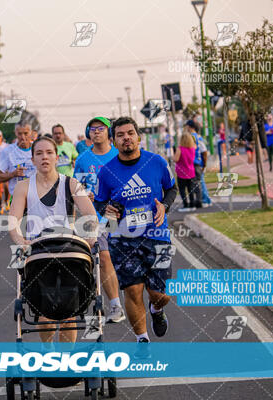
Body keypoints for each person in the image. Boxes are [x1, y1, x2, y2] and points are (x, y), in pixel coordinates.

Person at [95, 116, 177, 345]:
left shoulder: (157, 162)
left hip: (157, 236)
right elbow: (99, 202)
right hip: (122, 239)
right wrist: (106, 208)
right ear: (113, 141)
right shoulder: (106, 172)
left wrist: (165, 205)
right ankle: (142, 340)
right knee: (132, 290)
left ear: (138, 136)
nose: (126, 138)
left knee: (161, 295)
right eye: (120, 135)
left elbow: (172, 188)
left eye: (130, 133)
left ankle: (156, 309)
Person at [9, 136, 99, 343]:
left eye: (49, 153)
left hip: (69, 252)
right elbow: (13, 221)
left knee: (69, 315)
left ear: (57, 157)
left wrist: (90, 236)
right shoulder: (23, 187)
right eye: (39, 154)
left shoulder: (71, 184)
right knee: (45, 316)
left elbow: (90, 215)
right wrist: (20, 240)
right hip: (38, 253)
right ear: (32, 160)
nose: (44, 158)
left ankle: (67, 359)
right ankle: (48, 352)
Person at [73, 117, 125, 323]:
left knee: (115, 259)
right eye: (92, 129)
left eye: (100, 128)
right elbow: (77, 187)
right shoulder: (83, 159)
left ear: (108, 132)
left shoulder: (119, 155)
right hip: (93, 215)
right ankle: (114, 306)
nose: (96, 132)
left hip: (119, 213)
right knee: (102, 257)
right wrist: (85, 194)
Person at [0, 121, 36, 197]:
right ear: (15, 133)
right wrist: (12, 174)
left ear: (31, 133)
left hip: (36, 197)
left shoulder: (38, 149)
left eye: (25, 133)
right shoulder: (7, 151)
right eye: (20, 134)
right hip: (17, 197)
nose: (23, 137)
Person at [185, 120, 210, 208]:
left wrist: (204, 164)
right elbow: (204, 151)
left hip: (195, 163)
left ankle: (205, 200)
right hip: (198, 163)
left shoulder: (192, 137)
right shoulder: (198, 137)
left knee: (199, 183)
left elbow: (204, 151)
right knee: (199, 182)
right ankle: (205, 199)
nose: (185, 128)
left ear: (190, 127)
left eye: (186, 126)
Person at [173, 132, 197, 212]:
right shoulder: (193, 148)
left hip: (182, 173)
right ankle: (192, 204)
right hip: (191, 172)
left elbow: (175, 159)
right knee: (191, 189)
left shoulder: (180, 149)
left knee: (182, 190)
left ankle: (186, 204)